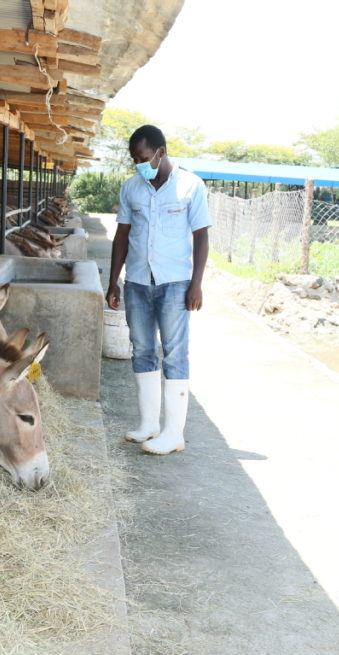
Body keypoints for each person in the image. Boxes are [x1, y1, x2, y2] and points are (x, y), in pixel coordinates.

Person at [105, 125, 211, 455]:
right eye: (134, 158)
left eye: (143, 157)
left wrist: (196, 283)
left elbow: (202, 236)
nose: (139, 162)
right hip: (137, 281)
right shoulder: (131, 188)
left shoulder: (190, 185)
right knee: (142, 349)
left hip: (175, 282)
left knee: (175, 353)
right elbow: (122, 236)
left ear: (161, 152)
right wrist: (113, 280)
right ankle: (149, 424)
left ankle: (173, 433)